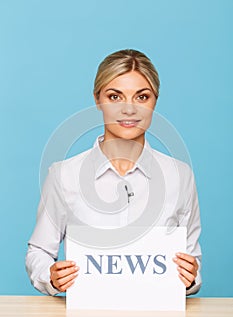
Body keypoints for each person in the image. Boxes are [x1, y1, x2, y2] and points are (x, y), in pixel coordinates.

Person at [26, 49, 202, 296]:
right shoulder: (63, 175)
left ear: (155, 102)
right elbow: (39, 251)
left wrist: (191, 276)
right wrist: (51, 277)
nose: (129, 110)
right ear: (97, 100)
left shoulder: (180, 176)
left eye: (142, 97)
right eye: (115, 96)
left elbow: (192, 260)